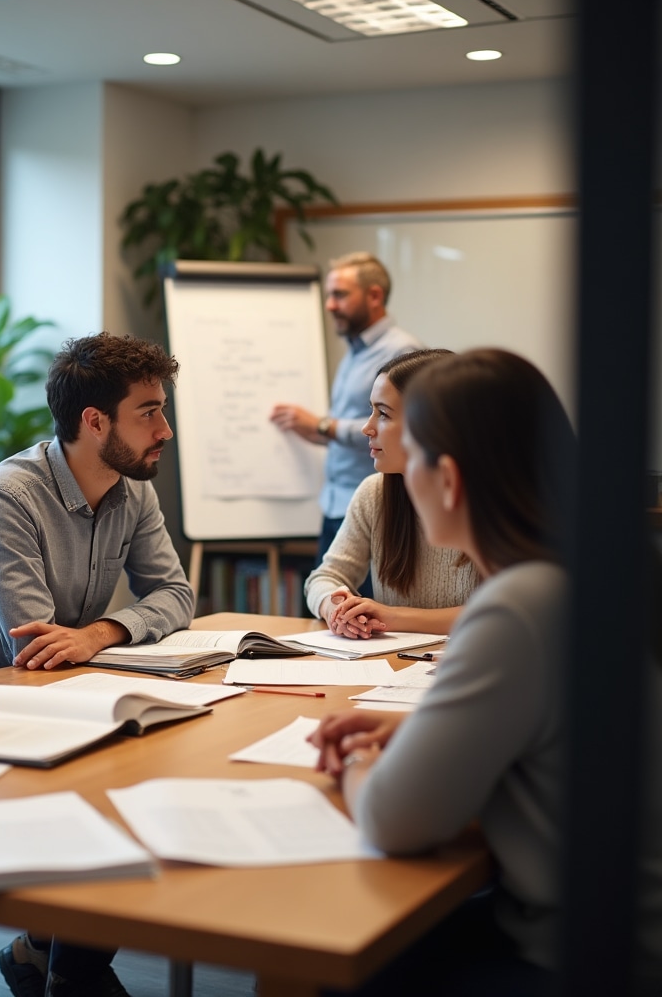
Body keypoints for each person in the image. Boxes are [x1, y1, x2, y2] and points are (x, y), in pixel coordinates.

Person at [312, 349, 662, 993]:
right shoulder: (575, 578)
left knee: (341, 956)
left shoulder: (518, 607)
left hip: (584, 957)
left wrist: (360, 759)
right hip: (602, 928)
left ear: (446, 479)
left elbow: (393, 818)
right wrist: (411, 733)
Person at [0, 331, 195, 997]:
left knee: (159, 780)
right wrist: (85, 644)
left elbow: (176, 594)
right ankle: (61, 968)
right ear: (95, 421)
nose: (165, 431)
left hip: (67, 702)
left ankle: (54, 962)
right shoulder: (9, 496)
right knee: (134, 797)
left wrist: (101, 633)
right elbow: (35, 648)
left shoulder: (130, 488)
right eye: (149, 412)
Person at [303, 349, 478, 639]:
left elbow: (503, 610)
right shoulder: (375, 493)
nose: (366, 428)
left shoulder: (490, 501)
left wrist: (393, 616)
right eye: (371, 410)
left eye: (383, 413)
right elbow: (324, 577)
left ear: (429, 424)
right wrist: (337, 609)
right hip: (396, 663)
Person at [270, 252, 420, 574]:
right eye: (329, 295)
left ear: (374, 296)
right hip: (335, 505)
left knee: (366, 604)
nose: (329, 305)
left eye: (339, 294)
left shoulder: (402, 352)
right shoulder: (354, 353)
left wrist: (324, 425)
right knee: (326, 595)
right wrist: (313, 430)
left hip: (375, 509)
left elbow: (406, 427)